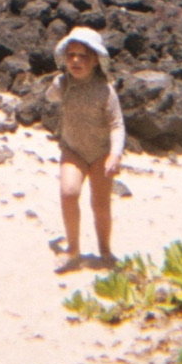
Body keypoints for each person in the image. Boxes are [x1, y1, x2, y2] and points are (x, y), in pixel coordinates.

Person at [48, 25, 125, 274]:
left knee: (100, 205)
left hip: (101, 153)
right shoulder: (64, 83)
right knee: (69, 193)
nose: (75, 60)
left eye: (82, 56)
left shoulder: (105, 90)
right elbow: (50, 98)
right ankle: (73, 251)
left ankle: (105, 251)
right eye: (71, 55)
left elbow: (117, 124)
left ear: (94, 60)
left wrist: (115, 154)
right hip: (73, 150)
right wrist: (54, 86)